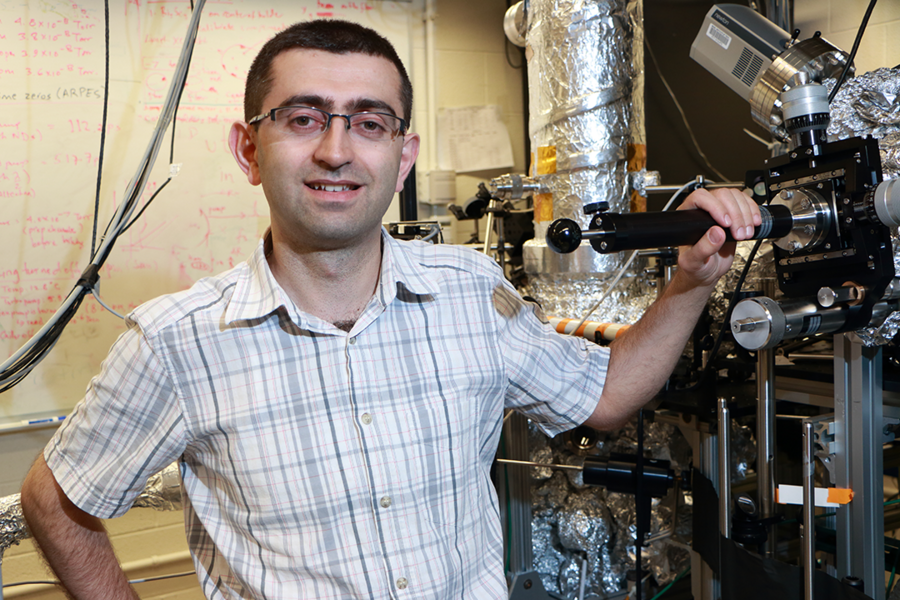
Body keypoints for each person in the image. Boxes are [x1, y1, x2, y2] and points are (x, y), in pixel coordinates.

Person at [20, 19, 760, 600]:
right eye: (304, 118)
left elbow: (605, 396)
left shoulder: (469, 292)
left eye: (370, 123)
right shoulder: (176, 341)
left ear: (400, 158)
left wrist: (691, 281)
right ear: (249, 149)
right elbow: (56, 502)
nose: (338, 151)